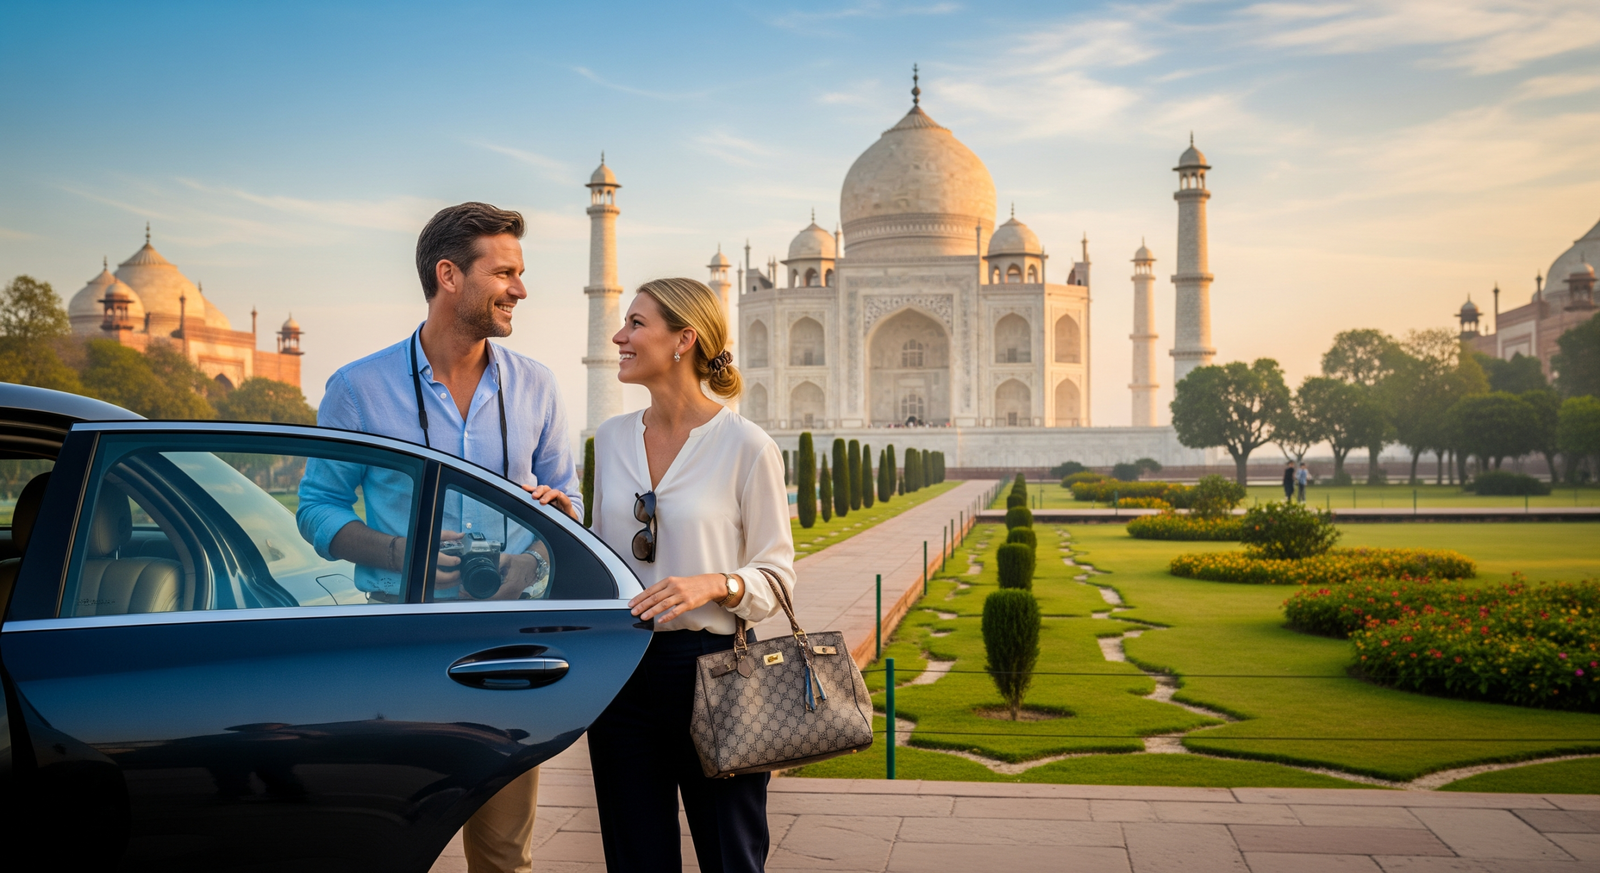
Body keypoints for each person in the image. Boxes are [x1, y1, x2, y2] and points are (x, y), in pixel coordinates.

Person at [296, 202, 581, 873]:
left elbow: (568, 502)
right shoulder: (359, 388)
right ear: (449, 275)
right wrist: (404, 554)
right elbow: (317, 508)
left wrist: (533, 560)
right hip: (400, 640)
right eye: (504, 272)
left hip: (505, 647)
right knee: (382, 842)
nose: (520, 288)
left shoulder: (536, 385)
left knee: (504, 855)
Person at [587, 278, 794, 873]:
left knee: (731, 855)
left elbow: (778, 577)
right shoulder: (612, 438)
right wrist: (557, 525)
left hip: (715, 669)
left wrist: (716, 584)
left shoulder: (745, 445)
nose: (619, 336)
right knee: (635, 856)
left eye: (636, 324)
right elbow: (604, 554)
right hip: (623, 670)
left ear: (684, 340)